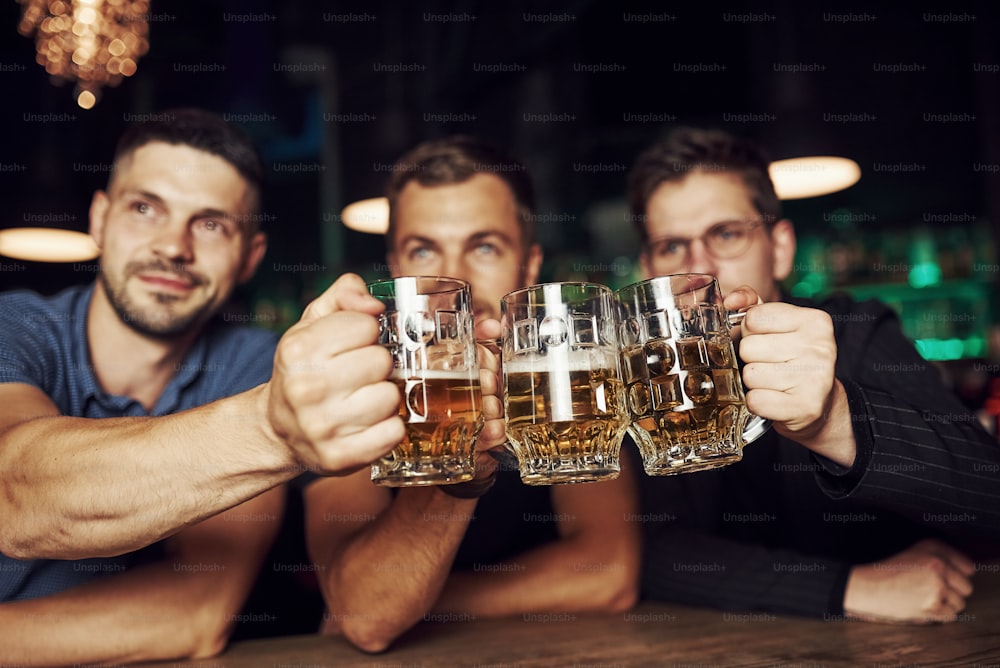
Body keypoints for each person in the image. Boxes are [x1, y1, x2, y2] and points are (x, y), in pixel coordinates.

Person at [0, 109, 420, 664]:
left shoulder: (258, 365)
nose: (174, 246)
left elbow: (194, 612)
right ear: (99, 219)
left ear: (250, 256)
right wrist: (274, 427)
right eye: (145, 208)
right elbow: (16, 496)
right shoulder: (16, 328)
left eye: (211, 223)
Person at [628, 126, 1000, 625]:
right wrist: (849, 587)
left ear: (780, 246)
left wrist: (836, 421)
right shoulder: (648, 378)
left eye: (727, 234)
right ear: (647, 270)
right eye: (672, 247)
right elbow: (652, 555)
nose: (700, 268)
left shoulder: (856, 330)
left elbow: (988, 492)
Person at [302, 136, 641, 652]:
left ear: (528, 267)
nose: (454, 278)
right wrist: (462, 457)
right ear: (395, 268)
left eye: (484, 247)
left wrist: (423, 606)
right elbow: (367, 613)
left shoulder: (570, 376)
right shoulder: (356, 385)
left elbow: (608, 572)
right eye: (424, 250)